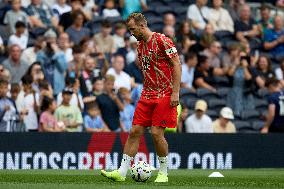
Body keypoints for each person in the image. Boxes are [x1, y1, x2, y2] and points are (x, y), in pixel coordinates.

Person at [101, 13, 181, 183]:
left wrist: (175, 92)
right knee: (134, 131)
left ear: (142, 26)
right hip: (147, 94)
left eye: (132, 29)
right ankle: (121, 173)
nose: (131, 32)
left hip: (165, 94)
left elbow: (176, 64)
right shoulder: (140, 45)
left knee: (156, 133)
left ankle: (163, 172)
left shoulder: (162, 40)